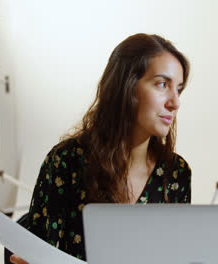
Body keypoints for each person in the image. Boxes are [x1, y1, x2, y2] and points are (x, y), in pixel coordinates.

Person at [10, 33, 191, 263]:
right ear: (126, 86)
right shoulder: (65, 162)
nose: (175, 102)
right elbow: (38, 252)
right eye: (162, 84)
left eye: (179, 89)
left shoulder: (176, 173)